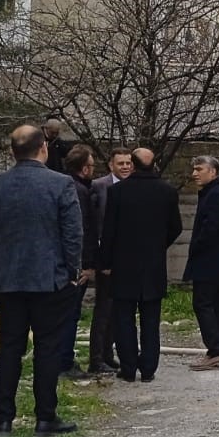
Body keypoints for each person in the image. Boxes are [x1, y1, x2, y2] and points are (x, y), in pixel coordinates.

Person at [0, 125, 83, 437]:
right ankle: (45, 417)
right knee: (47, 349)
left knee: (10, 348)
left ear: (12, 151)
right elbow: (73, 234)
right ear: (44, 149)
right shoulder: (61, 184)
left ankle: (3, 420)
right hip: (50, 281)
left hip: (9, 282)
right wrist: (71, 273)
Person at [98, 147, 183, 383]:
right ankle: (148, 368)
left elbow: (109, 230)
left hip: (124, 263)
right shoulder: (167, 191)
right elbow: (176, 227)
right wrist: (158, 246)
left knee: (123, 317)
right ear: (154, 164)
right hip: (153, 264)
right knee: (150, 318)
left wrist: (105, 261)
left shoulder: (118, 191)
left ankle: (128, 367)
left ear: (133, 165)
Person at [184, 155, 219, 370]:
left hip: (210, 262)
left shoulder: (215, 195)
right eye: (194, 169)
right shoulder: (218, 192)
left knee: (204, 304)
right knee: (217, 305)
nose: (194, 174)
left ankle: (216, 350)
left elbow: (209, 229)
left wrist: (196, 247)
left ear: (212, 172)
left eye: (199, 169)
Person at [87, 147, 133, 373]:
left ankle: (108, 353)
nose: (125, 166)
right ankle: (96, 358)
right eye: (121, 163)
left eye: (128, 163)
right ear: (111, 165)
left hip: (126, 259)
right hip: (106, 259)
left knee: (118, 310)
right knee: (103, 309)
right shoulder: (99, 186)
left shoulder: (134, 186)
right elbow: (94, 225)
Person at [61, 145, 100, 379]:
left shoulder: (63, 186)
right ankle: (65, 362)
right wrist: (87, 265)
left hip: (64, 263)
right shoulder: (79, 191)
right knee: (70, 314)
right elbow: (82, 230)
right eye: (92, 165)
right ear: (85, 168)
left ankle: (62, 359)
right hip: (77, 266)